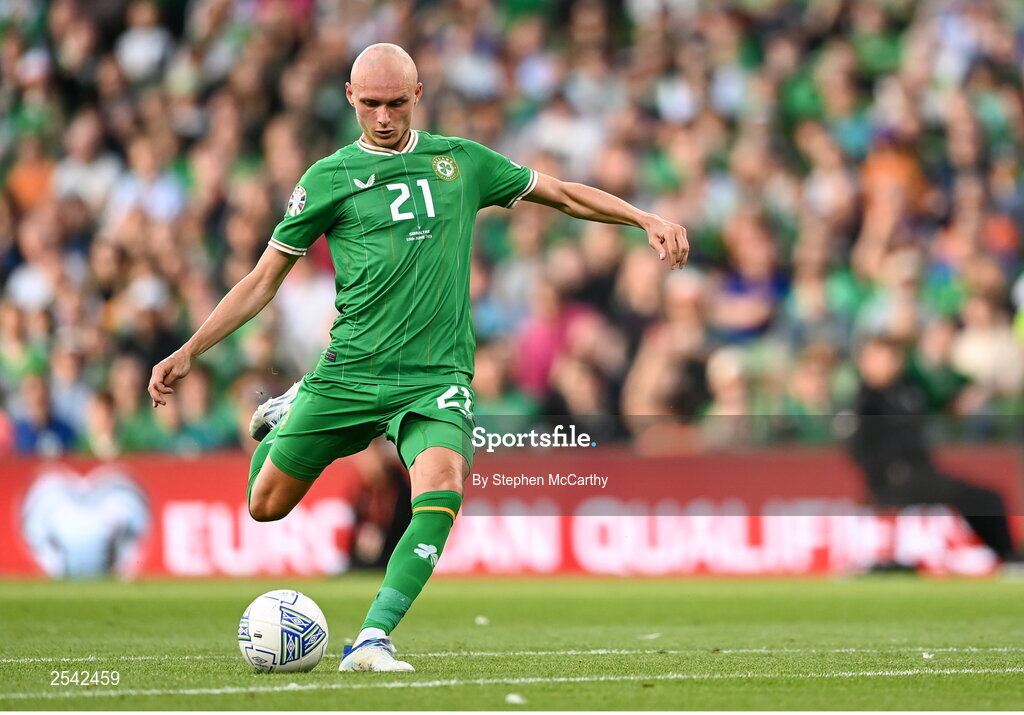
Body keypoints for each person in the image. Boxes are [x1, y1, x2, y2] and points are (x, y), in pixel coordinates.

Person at [148, 43, 688, 673]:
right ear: (350, 98)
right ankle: (291, 407)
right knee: (264, 505)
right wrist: (190, 350)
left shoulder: (460, 162)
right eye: (370, 103)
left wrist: (643, 218)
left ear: (418, 95)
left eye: (396, 102)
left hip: (436, 377)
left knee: (442, 483)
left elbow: (563, 194)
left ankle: (372, 640)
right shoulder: (327, 178)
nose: (383, 116)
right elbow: (264, 280)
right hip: (350, 371)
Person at [848, 335, 1018, 567]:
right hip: (894, 481)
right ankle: (1008, 556)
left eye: (893, 357)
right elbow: (858, 450)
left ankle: (1006, 554)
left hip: (924, 472)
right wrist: (891, 470)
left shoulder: (908, 388)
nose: (891, 363)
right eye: (883, 357)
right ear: (865, 362)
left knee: (987, 497)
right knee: (975, 498)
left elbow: (942, 395)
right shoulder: (865, 401)